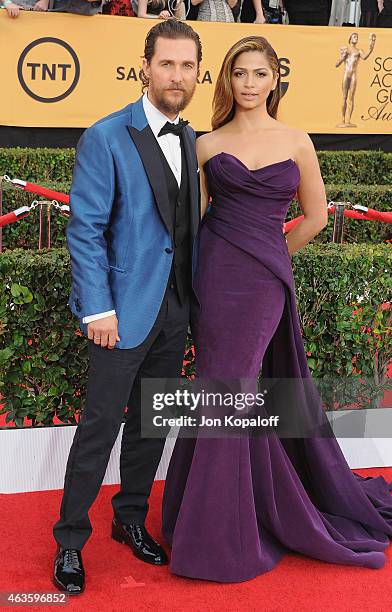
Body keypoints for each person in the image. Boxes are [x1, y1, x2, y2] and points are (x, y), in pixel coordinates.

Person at [161, 35, 392, 583]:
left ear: (274, 80)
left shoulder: (297, 141)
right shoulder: (205, 144)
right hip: (216, 277)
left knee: (234, 386)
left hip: (264, 280)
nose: (248, 83)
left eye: (259, 74)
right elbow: (192, 225)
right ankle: (215, 520)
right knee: (223, 385)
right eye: (239, 73)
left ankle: (218, 523)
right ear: (227, 80)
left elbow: (314, 214)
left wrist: (271, 253)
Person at [52, 18, 202, 594]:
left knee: (150, 426)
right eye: (167, 63)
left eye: (187, 66)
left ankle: (130, 520)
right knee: (98, 431)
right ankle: (69, 540)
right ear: (145, 67)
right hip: (120, 314)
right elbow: (85, 230)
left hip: (176, 312)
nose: (177, 75)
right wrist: (97, 310)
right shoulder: (107, 134)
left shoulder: (192, 140)